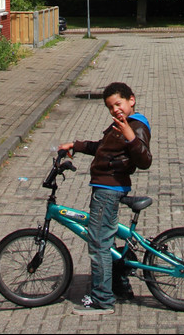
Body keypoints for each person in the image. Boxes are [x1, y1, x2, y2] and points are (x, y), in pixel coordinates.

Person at [58, 81, 152, 315]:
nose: (115, 110)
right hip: (105, 186)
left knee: (99, 242)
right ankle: (118, 282)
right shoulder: (120, 125)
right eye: (110, 107)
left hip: (108, 188)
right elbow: (103, 148)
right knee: (105, 240)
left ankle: (102, 299)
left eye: (118, 104)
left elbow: (144, 160)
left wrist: (130, 136)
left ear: (131, 100)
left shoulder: (135, 126)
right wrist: (76, 145)